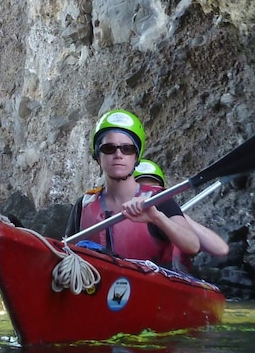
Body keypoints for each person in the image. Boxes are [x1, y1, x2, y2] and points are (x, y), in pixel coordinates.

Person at [64, 109, 200, 265]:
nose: (118, 154)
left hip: (148, 287)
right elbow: (66, 254)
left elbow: (192, 245)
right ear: (97, 157)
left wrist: (157, 218)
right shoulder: (84, 204)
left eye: (127, 149)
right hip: (93, 286)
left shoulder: (159, 200)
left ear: (136, 157)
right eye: (108, 148)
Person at [134, 158, 229, 258]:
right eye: (144, 190)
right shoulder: (120, 214)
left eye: (156, 190)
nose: (150, 195)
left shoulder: (171, 215)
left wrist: (178, 216)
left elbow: (221, 249)